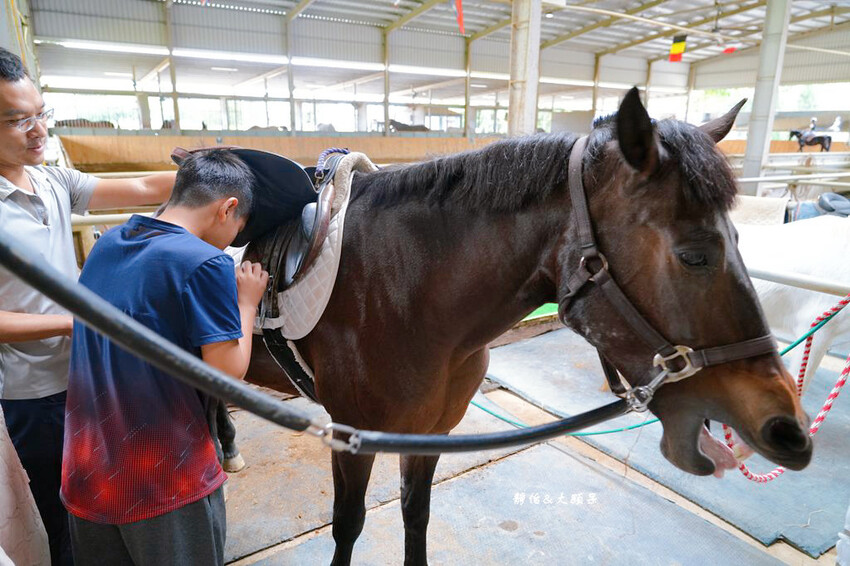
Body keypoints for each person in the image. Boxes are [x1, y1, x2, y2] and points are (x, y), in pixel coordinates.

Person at [0, 47, 176, 565]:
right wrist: (74, 322)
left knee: (104, 499)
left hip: (88, 375)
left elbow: (143, 186)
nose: (37, 131)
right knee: (66, 519)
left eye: (40, 114)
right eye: (16, 120)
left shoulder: (51, 180)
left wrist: (221, 171)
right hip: (36, 396)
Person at [60, 149, 268, 565]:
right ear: (228, 208)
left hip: (86, 474)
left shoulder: (109, 243)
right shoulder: (205, 262)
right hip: (163, 483)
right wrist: (246, 302)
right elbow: (227, 375)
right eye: (238, 228)